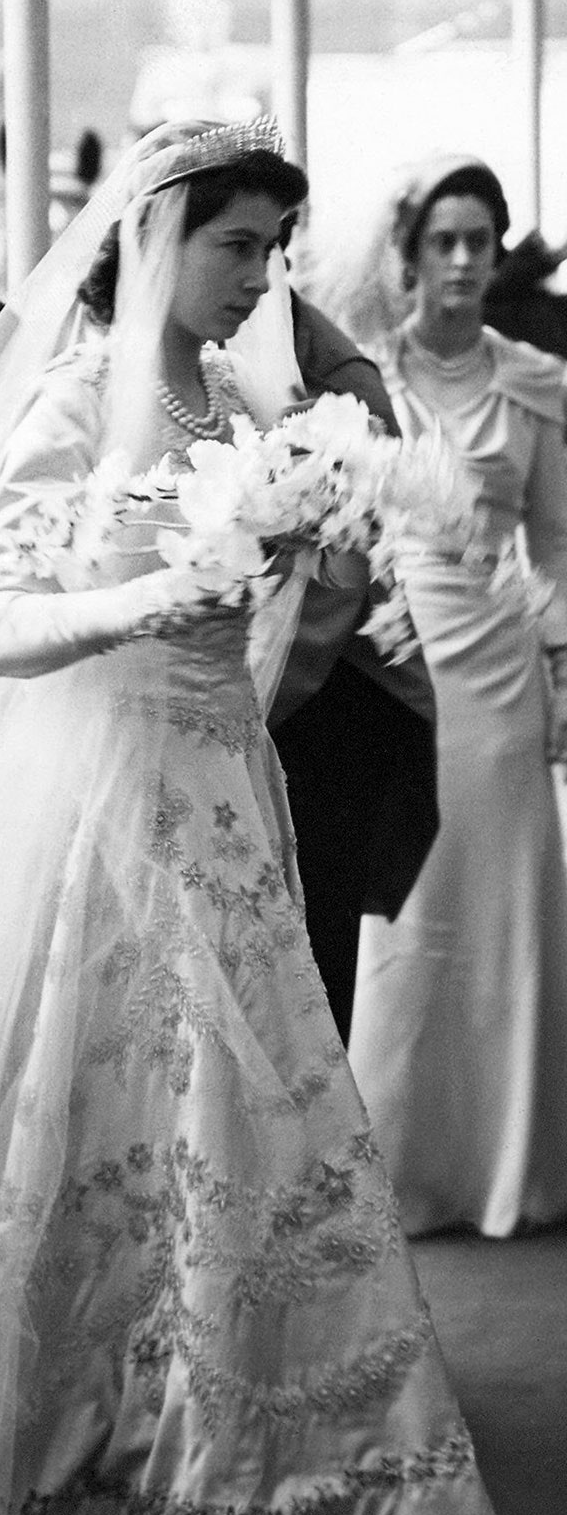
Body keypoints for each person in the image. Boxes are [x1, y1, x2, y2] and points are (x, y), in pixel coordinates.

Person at [0, 119, 515, 1515]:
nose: (258, 279)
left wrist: (308, 550)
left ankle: (234, 1470)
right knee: (99, 1120)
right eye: (234, 246)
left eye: (274, 251)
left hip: (219, 785)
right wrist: (164, 590)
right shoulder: (72, 397)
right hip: (102, 796)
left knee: (246, 1128)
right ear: (157, 239)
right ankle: (56, 1464)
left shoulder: (236, 400)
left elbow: (268, 599)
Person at [336, 156, 567, 1237]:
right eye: (445, 242)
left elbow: (555, 541)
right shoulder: (361, 376)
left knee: (502, 915)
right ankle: (399, 1164)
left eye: (480, 240)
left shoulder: (529, 381)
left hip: (503, 675)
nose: (465, 261)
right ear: (413, 254)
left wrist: (556, 654)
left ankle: (506, 1165)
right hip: (397, 663)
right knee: (410, 913)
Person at [267, 289, 440, 1042]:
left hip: (322, 711)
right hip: (227, 707)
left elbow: (344, 588)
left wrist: (233, 704)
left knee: (306, 983)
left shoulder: (337, 373)